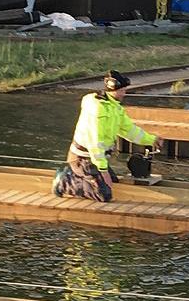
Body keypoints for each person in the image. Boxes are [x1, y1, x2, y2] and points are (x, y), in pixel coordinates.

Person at [52, 70, 163, 202]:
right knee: (104, 195)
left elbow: (129, 130)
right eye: (122, 90)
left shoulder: (115, 108)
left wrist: (151, 139)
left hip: (96, 158)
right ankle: (65, 181)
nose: (124, 93)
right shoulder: (98, 109)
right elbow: (95, 142)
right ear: (112, 90)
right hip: (83, 158)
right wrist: (103, 170)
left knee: (114, 183)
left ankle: (83, 177)